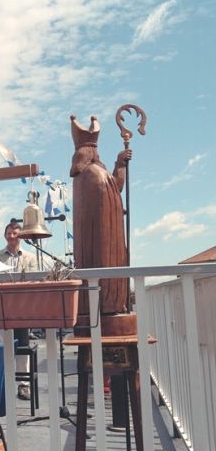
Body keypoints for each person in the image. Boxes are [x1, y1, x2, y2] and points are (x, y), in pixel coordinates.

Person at [69, 115, 131, 315]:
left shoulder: (95, 172)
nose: (96, 154)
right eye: (93, 151)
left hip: (108, 237)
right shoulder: (91, 175)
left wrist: (120, 163)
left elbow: (115, 188)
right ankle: (110, 302)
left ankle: (110, 302)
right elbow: (114, 189)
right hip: (105, 242)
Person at [0, 220, 38, 400]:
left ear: (21, 236)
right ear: (5, 235)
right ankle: (0, 383)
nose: (12, 237)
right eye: (9, 233)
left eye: (15, 233)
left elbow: (33, 281)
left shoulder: (30, 257)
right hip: (1, 306)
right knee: (1, 346)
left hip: (22, 308)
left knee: (22, 346)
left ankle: (23, 385)